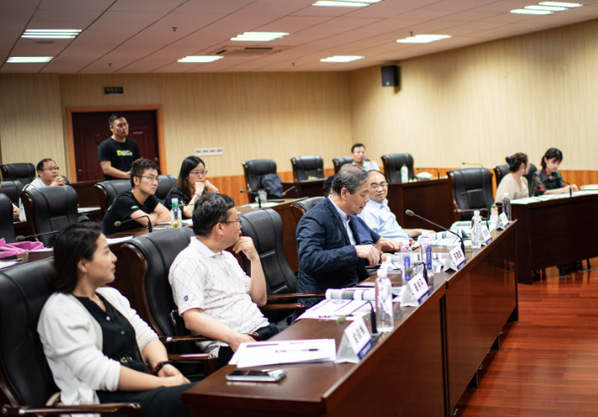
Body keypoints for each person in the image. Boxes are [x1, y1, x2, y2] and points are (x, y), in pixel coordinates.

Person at [37, 222, 194, 417]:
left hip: (143, 388)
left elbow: (146, 337)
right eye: (106, 252)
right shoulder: (59, 311)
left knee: (210, 393)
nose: (114, 258)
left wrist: (161, 365)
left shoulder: (110, 295)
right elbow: (100, 373)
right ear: (83, 264)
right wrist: (162, 383)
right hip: (104, 404)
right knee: (203, 399)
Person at [169, 193, 277, 367]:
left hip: (262, 331)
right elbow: (191, 318)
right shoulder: (188, 262)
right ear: (219, 227)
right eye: (237, 221)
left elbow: (260, 299)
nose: (240, 226)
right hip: (230, 346)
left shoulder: (226, 256)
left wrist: (254, 259)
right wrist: (233, 338)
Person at [296, 165, 402, 305]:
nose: (367, 200)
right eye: (363, 194)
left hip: (353, 289)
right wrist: (355, 251)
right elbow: (309, 260)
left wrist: (374, 251)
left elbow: (347, 261)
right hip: (325, 298)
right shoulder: (314, 219)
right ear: (345, 193)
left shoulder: (352, 217)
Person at [102, 158, 170, 235]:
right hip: (114, 240)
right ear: (136, 180)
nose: (155, 183)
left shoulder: (149, 197)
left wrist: (153, 220)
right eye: (150, 178)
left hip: (135, 236)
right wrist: (154, 216)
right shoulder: (123, 199)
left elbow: (168, 215)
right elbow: (148, 221)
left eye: (157, 178)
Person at [359, 170, 433, 239]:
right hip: (395, 247)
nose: (380, 189)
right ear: (366, 188)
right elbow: (373, 240)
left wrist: (420, 231)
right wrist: (400, 243)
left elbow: (396, 232)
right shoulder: (368, 211)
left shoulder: (383, 204)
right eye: (374, 186)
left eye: (383, 184)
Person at [98, 113, 141, 181]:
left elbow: (138, 162)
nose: (124, 128)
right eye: (120, 125)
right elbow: (106, 169)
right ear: (111, 128)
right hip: (113, 183)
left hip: (131, 181)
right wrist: (126, 175)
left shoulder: (133, 143)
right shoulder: (105, 145)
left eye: (125, 124)